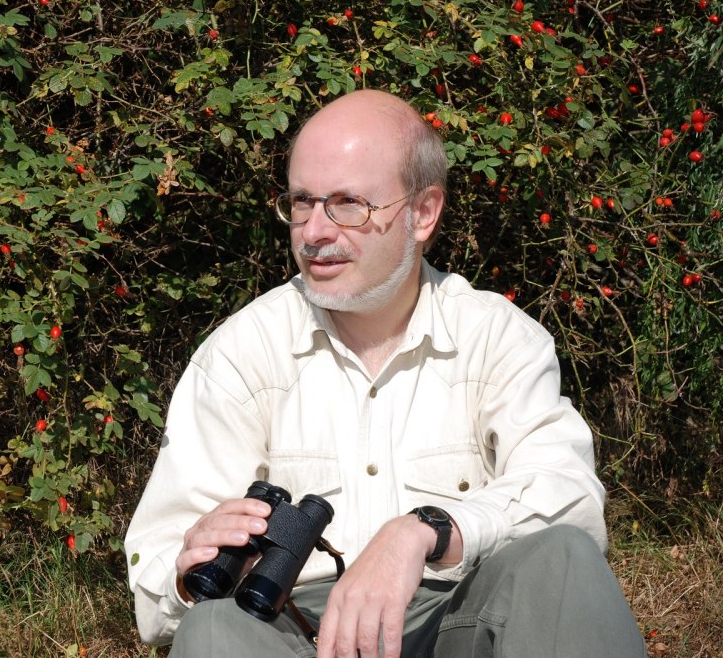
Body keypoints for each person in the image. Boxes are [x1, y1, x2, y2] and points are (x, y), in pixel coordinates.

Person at [124, 89, 645, 657]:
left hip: (458, 620)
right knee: (211, 628)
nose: (314, 232)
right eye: (302, 202)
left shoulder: (497, 337)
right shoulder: (239, 354)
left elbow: (571, 499)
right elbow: (155, 582)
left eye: (348, 204)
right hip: (293, 632)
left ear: (423, 213)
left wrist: (428, 530)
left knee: (562, 557)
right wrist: (187, 572)